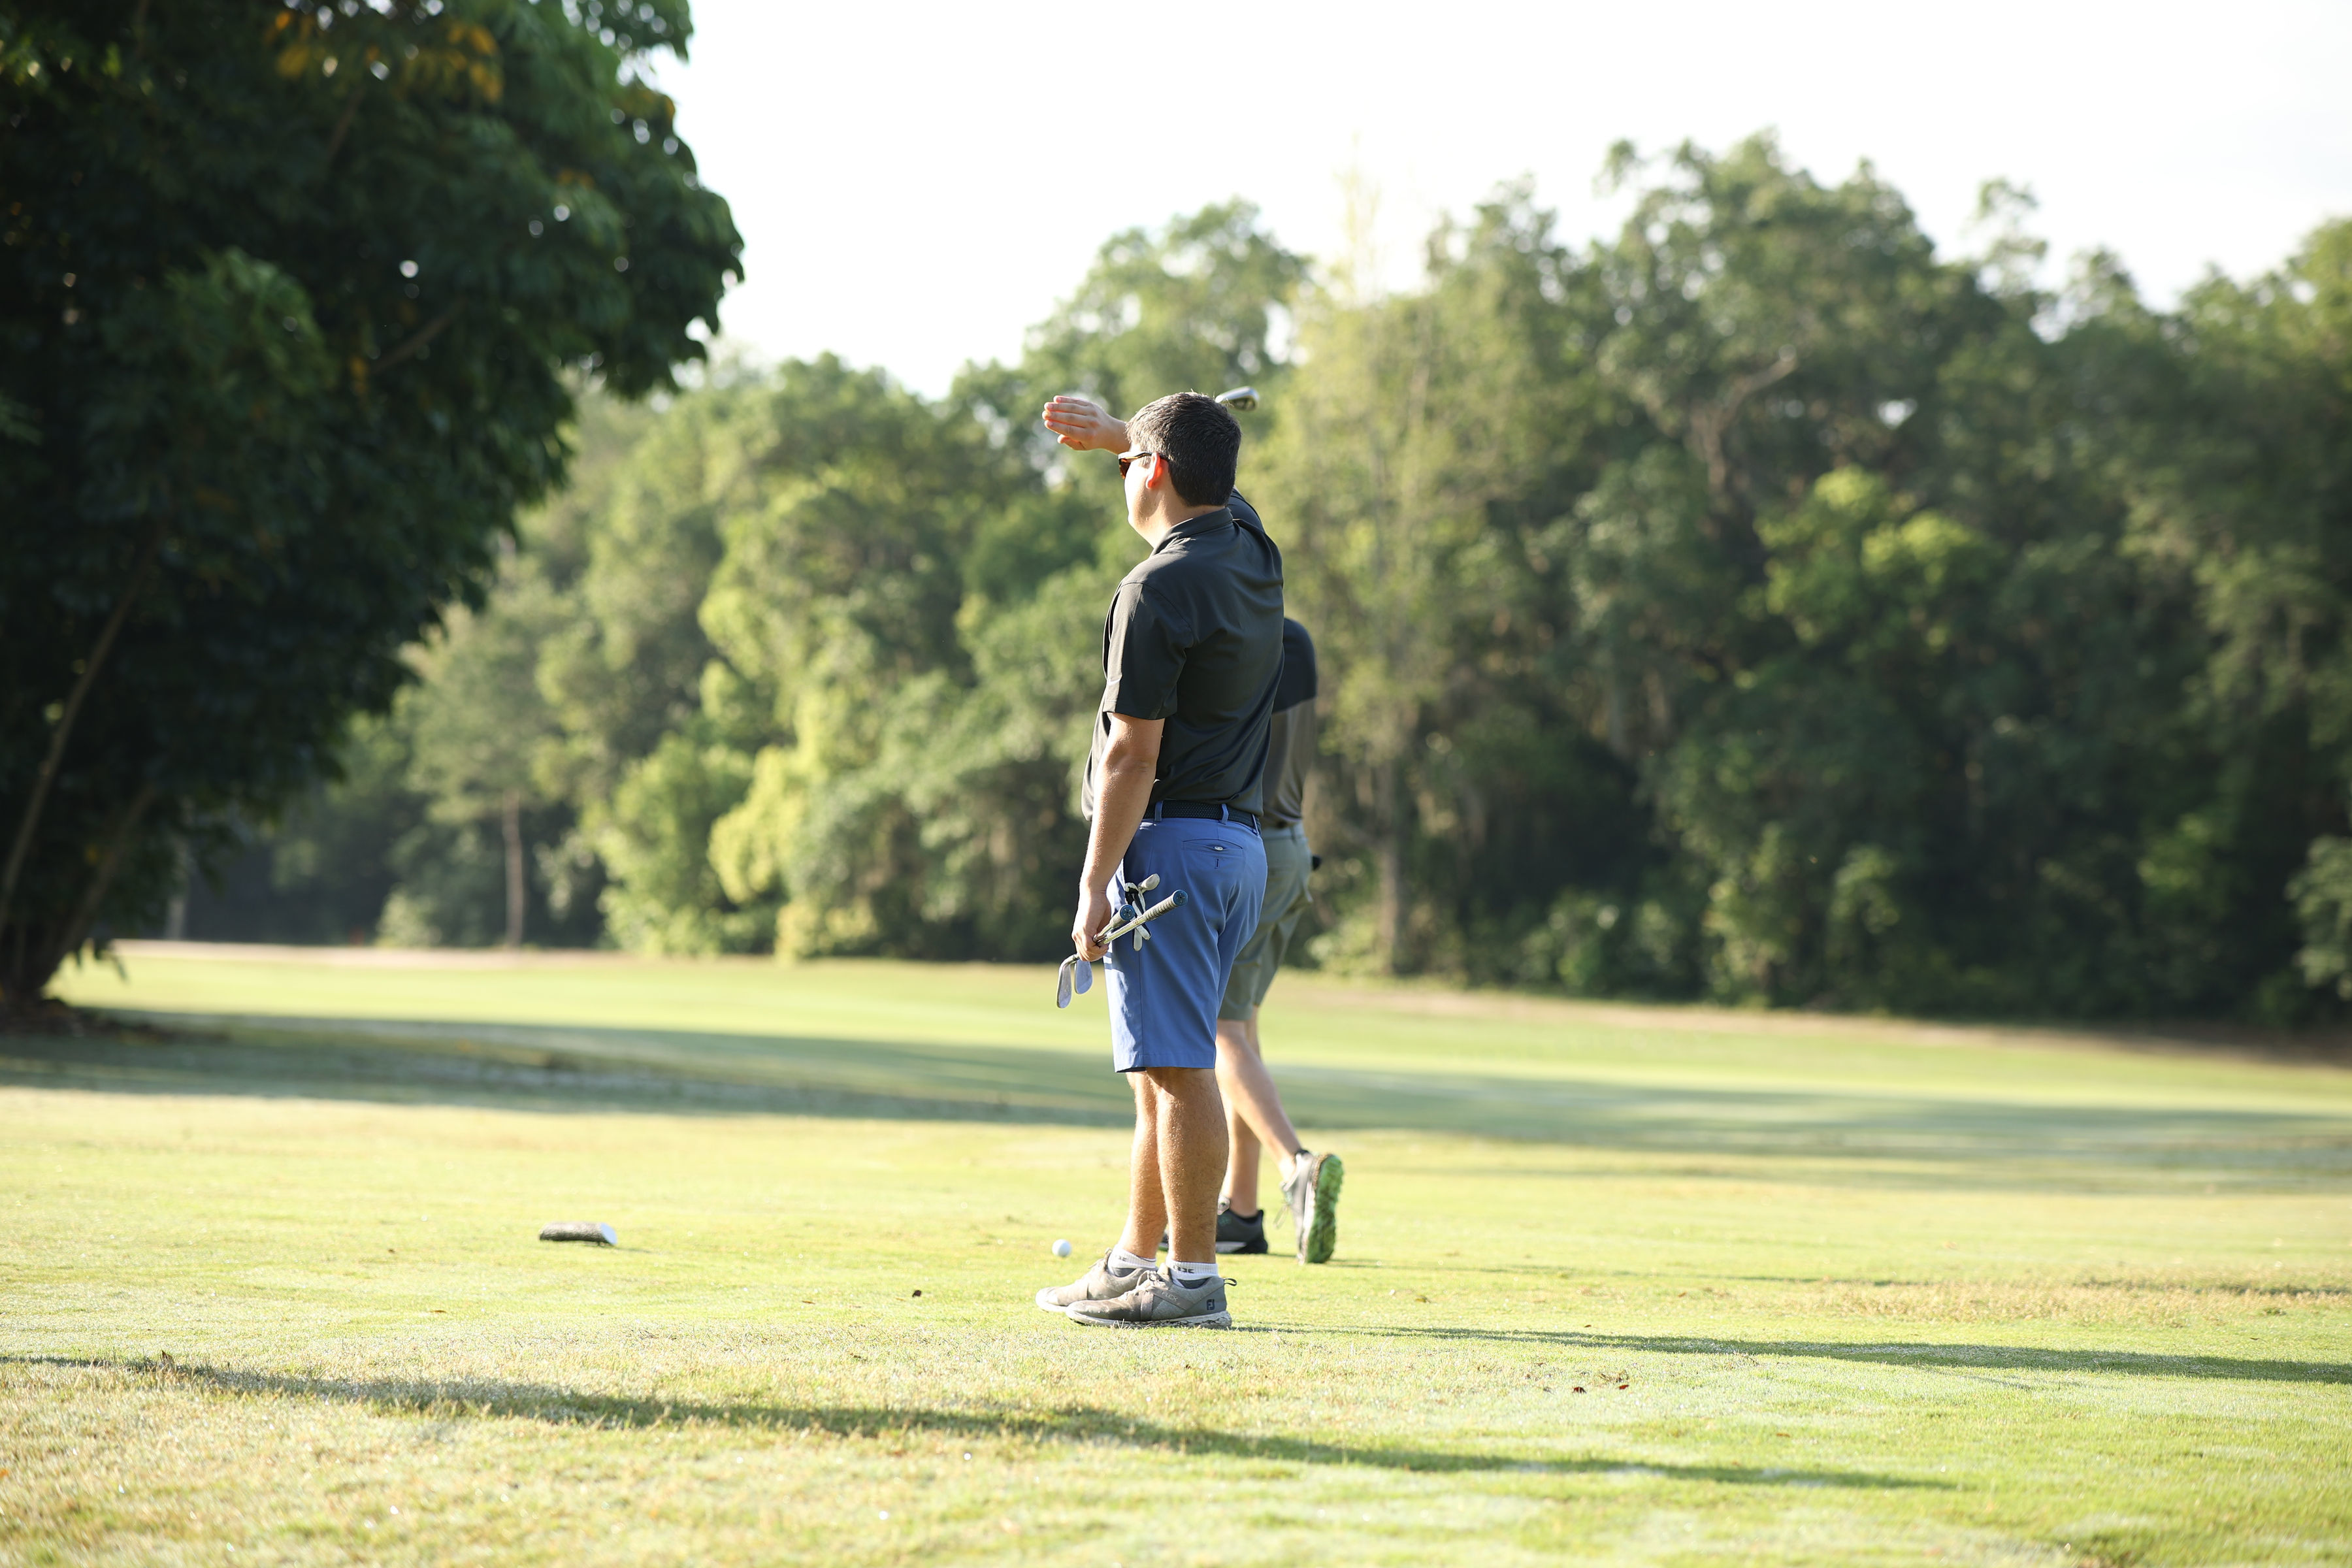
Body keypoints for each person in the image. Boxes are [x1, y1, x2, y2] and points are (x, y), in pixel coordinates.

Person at [1041, 396, 1341, 1266]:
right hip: (1237, 849)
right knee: (1163, 1071)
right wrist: (1125, 439)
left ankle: (1193, 1272)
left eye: (1131, 464)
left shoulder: (1153, 589)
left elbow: (1131, 757)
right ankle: (1134, 1262)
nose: (1123, 475)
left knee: (1179, 1072)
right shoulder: (1253, 549)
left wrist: (1091, 884)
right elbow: (1211, 481)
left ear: (1157, 472)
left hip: (1171, 848)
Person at [1211, 616, 1342, 1264]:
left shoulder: (1241, 644)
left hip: (1251, 851)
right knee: (1241, 1030)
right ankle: (1240, 1212)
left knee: (1217, 1032)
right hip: (1291, 847)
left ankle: (1297, 1166)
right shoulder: (1296, 639)